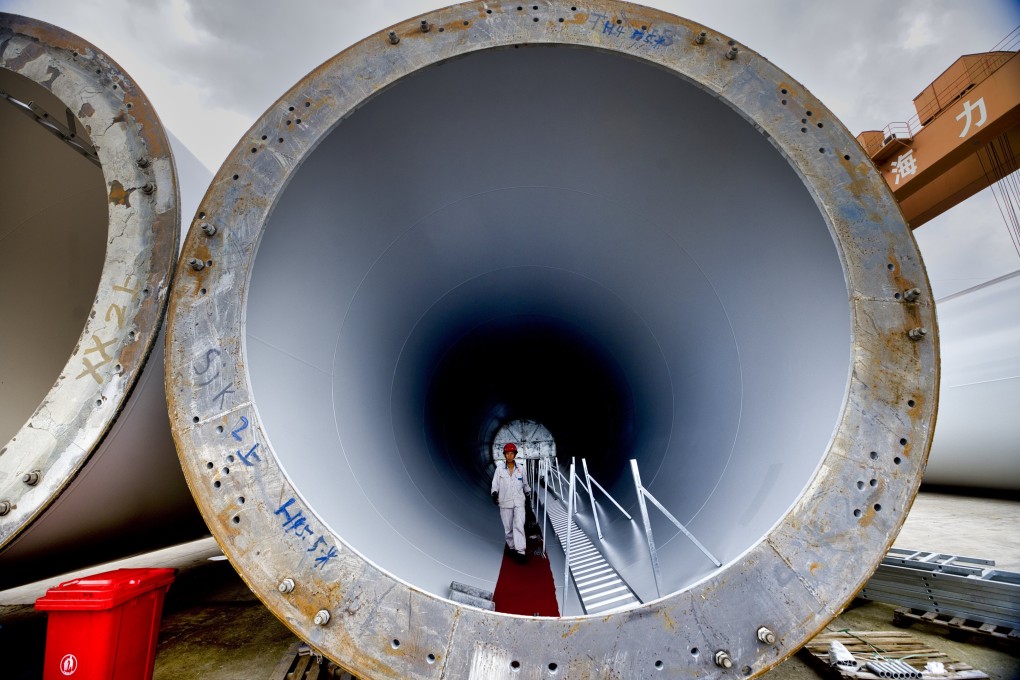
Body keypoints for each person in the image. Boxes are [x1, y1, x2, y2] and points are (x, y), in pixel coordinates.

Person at [491, 442, 531, 563]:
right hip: (505, 502)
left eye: (511, 453)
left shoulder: (521, 469)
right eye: (507, 453)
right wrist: (494, 494)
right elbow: (495, 484)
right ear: (504, 455)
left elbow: (525, 484)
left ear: (515, 455)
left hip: (519, 501)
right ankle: (512, 547)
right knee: (508, 528)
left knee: (519, 525)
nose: (509, 456)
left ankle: (521, 551)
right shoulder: (499, 470)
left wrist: (528, 496)